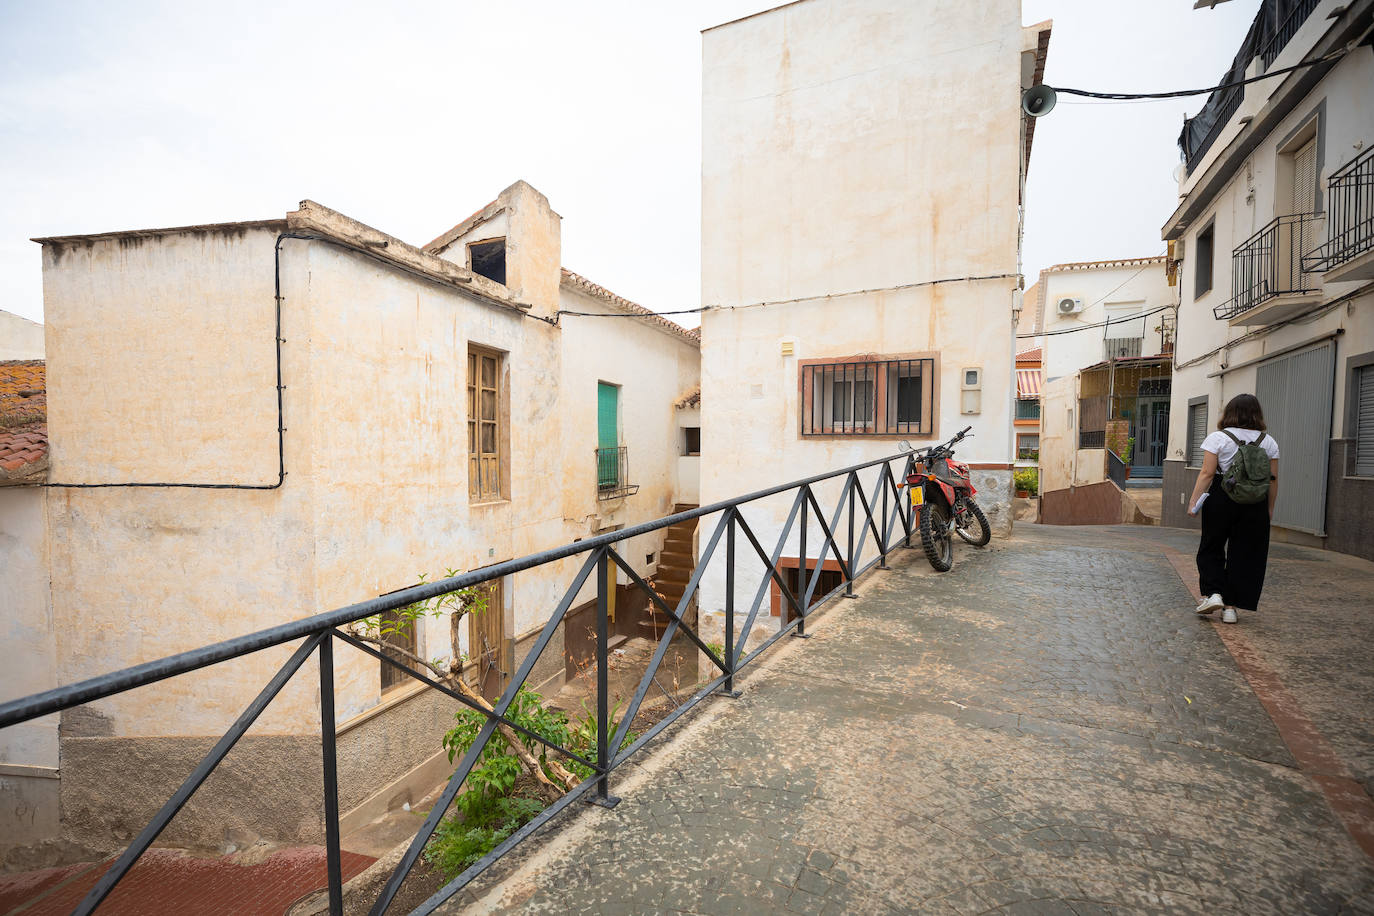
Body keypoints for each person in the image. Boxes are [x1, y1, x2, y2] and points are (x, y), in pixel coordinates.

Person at [1186, 393, 1279, 624]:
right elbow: (1273, 480)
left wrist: (1194, 500)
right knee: (1245, 554)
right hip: (1255, 501)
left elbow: (1207, 473)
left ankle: (1213, 593)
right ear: (1257, 414)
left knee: (1212, 546)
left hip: (1222, 495)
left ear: (1229, 412)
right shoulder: (1269, 442)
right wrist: (1269, 509)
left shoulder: (1218, 438)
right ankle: (1230, 608)